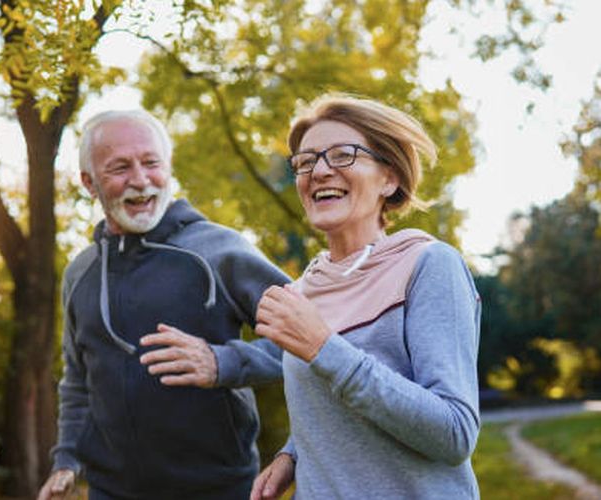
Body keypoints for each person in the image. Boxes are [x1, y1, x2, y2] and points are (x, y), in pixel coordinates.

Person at [37, 109, 289, 500]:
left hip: (219, 489)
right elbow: (78, 381)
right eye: (119, 167)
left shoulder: (218, 251)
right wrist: (67, 459)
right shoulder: (80, 274)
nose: (140, 180)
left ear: (168, 168)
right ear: (89, 182)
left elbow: (312, 341)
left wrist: (223, 362)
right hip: (110, 492)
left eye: (151, 163)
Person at [250, 95, 481, 499]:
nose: (319, 171)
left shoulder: (428, 265)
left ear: (389, 179)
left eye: (342, 155)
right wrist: (294, 452)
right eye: (306, 162)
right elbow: (336, 402)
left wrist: (324, 347)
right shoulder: (305, 289)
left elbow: (454, 432)